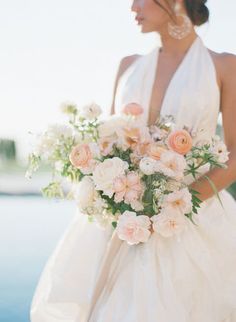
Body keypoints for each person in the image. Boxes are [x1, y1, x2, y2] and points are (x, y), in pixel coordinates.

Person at [30, 0, 236, 321]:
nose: (132, 6)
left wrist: (175, 206)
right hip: (123, 225)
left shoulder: (224, 66)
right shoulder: (127, 66)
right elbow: (107, 143)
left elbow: (233, 154)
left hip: (193, 219)